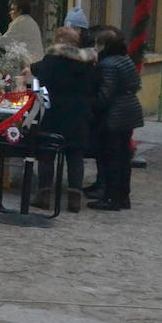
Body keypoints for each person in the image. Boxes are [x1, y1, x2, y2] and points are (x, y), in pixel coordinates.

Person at [30, 26, 98, 212]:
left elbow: (41, 82)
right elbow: (94, 87)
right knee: (75, 156)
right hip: (79, 115)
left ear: (59, 40)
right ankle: (74, 199)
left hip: (56, 113)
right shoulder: (87, 63)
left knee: (47, 154)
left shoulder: (52, 59)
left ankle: (44, 195)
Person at [88, 27, 143, 212]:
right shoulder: (125, 59)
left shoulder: (108, 64)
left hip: (115, 115)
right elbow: (136, 83)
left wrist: (91, 104)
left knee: (111, 156)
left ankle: (111, 198)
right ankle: (123, 196)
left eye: (98, 44)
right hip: (129, 110)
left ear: (105, 45)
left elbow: (106, 94)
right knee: (123, 156)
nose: (95, 47)